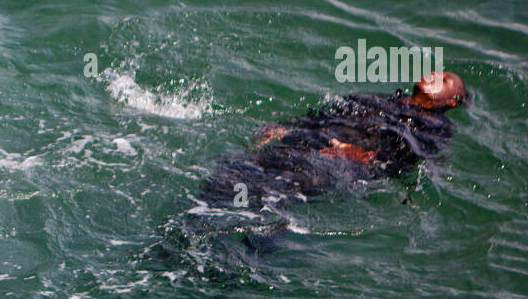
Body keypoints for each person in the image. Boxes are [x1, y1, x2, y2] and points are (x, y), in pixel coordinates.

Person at [197, 71, 468, 212]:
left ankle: (248, 260)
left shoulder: (437, 126)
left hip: (339, 163)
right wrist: (287, 126)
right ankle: (192, 228)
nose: (434, 76)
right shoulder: (383, 99)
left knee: (277, 193)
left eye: (444, 79)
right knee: (233, 171)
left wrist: (364, 156)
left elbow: (409, 155)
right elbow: (332, 113)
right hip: (308, 143)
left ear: (452, 101)